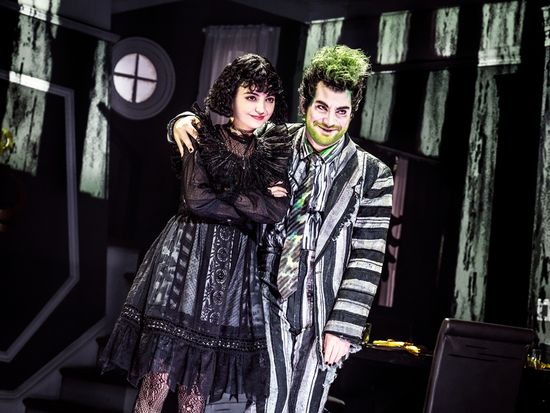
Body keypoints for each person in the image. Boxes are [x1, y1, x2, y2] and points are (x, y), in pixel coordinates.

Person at [172, 45, 394, 413]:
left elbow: (367, 257)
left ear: (352, 112)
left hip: (323, 313)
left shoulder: (373, 175)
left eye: (341, 111)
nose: (330, 120)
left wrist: (344, 326)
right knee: (268, 399)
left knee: (305, 405)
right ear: (305, 103)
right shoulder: (272, 141)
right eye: (321, 107)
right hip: (263, 295)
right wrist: (181, 122)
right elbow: (226, 133)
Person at [100, 53, 292, 413]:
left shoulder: (272, 151)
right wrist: (252, 197)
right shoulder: (201, 134)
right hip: (185, 261)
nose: (261, 107)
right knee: (156, 382)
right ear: (231, 97)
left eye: (268, 98)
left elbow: (275, 211)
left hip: (229, 274)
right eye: (251, 96)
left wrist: (227, 189)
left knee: (196, 391)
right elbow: (197, 200)